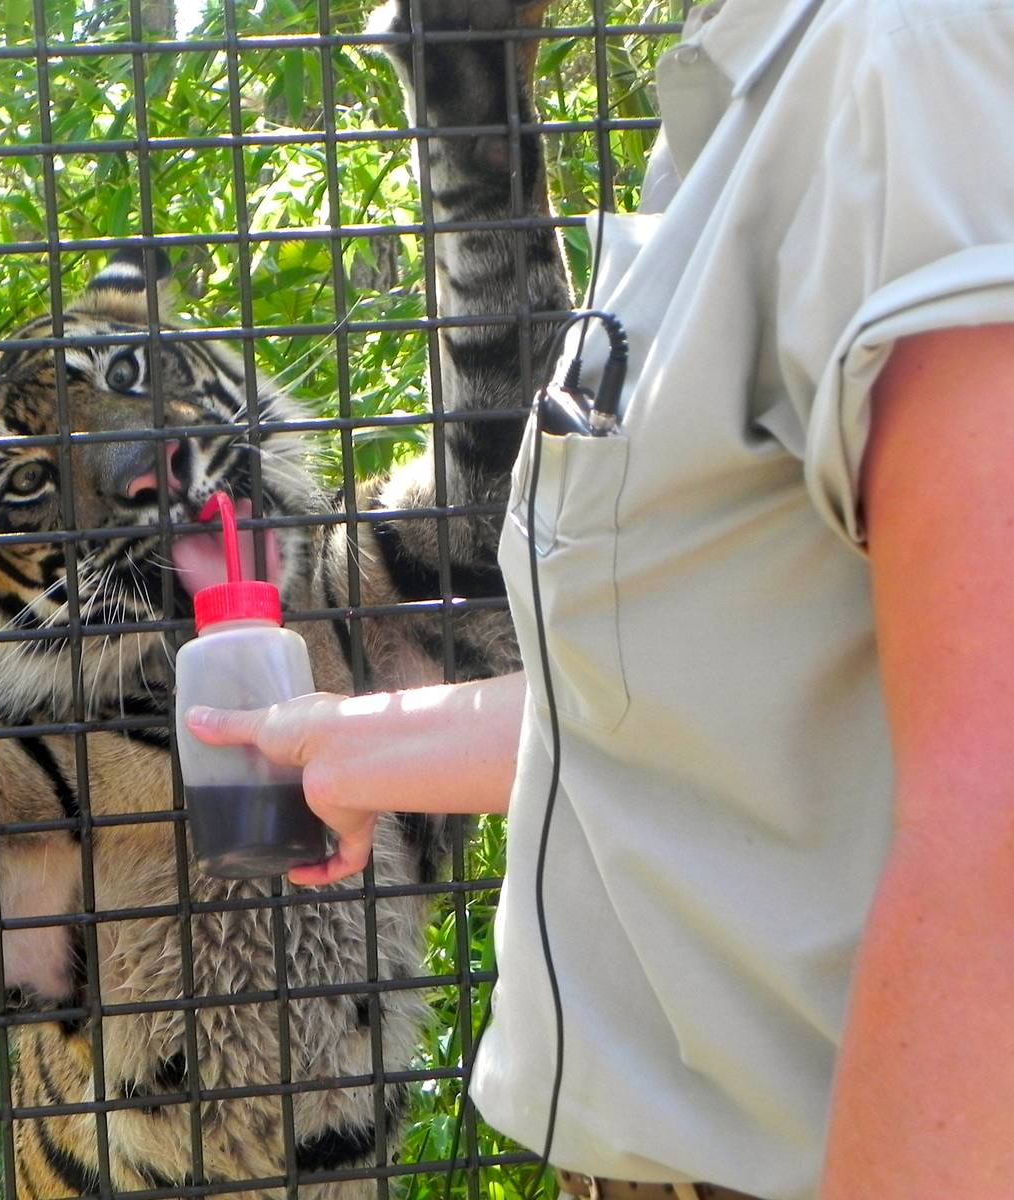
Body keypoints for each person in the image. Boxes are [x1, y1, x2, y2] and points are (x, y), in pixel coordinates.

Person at [186, 1, 1014, 1197]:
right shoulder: (747, 90)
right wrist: (353, 744)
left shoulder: (908, 62)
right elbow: (741, 695)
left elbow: (991, 809)